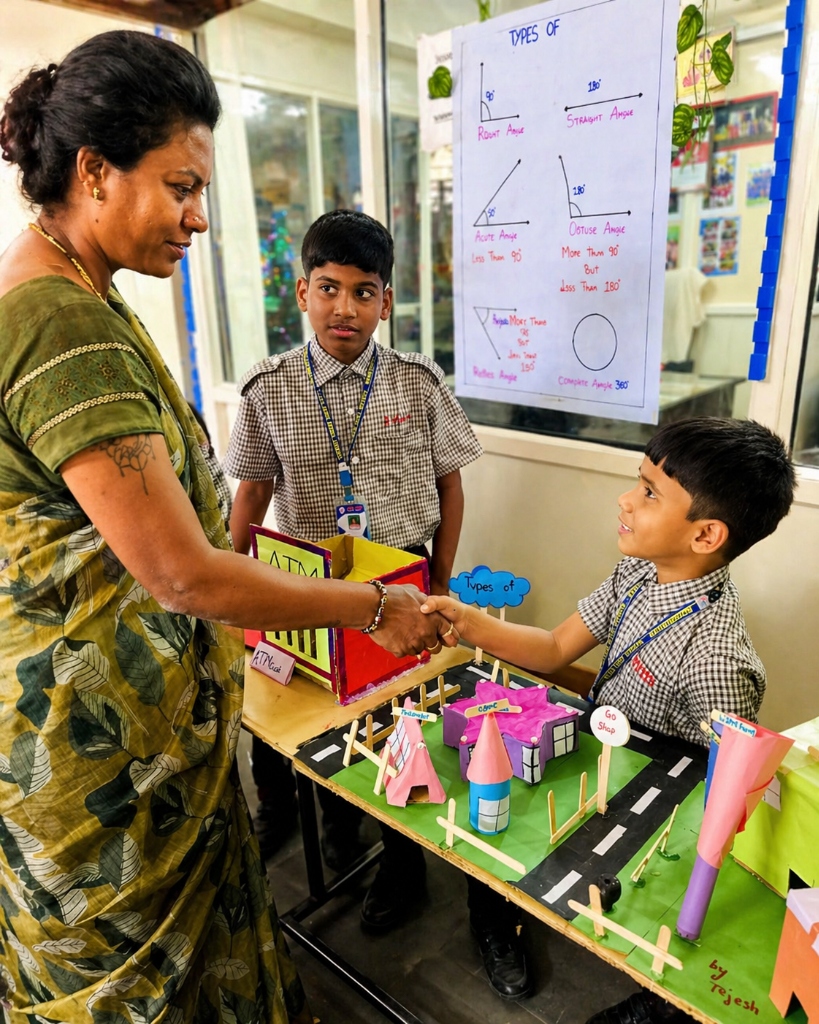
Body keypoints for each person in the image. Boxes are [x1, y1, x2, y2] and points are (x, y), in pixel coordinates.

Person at [0, 32, 455, 1024]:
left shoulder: (77, 294)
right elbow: (187, 574)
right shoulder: (58, 323)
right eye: (181, 185)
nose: (201, 217)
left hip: (143, 736)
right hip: (104, 763)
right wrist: (376, 604)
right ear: (94, 171)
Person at [225, 210, 533, 1000]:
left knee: (409, 718)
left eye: (363, 293)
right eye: (328, 289)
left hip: (407, 589)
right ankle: (339, 834)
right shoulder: (268, 388)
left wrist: (439, 580)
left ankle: (403, 866)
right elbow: (253, 494)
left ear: (386, 302)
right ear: (301, 290)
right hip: (314, 589)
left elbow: (449, 485)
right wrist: (235, 586)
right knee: (325, 723)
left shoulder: (419, 383)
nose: (344, 309)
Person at [422, 416, 796, 1024]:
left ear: (705, 535)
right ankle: (492, 919)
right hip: (589, 759)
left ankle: (653, 1006)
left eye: (649, 491)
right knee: (492, 808)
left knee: (657, 916)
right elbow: (551, 647)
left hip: (652, 809)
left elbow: (725, 794)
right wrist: (465, 619)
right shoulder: (635, 574)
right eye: (637, 482)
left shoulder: (720, 658)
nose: (626, 498)